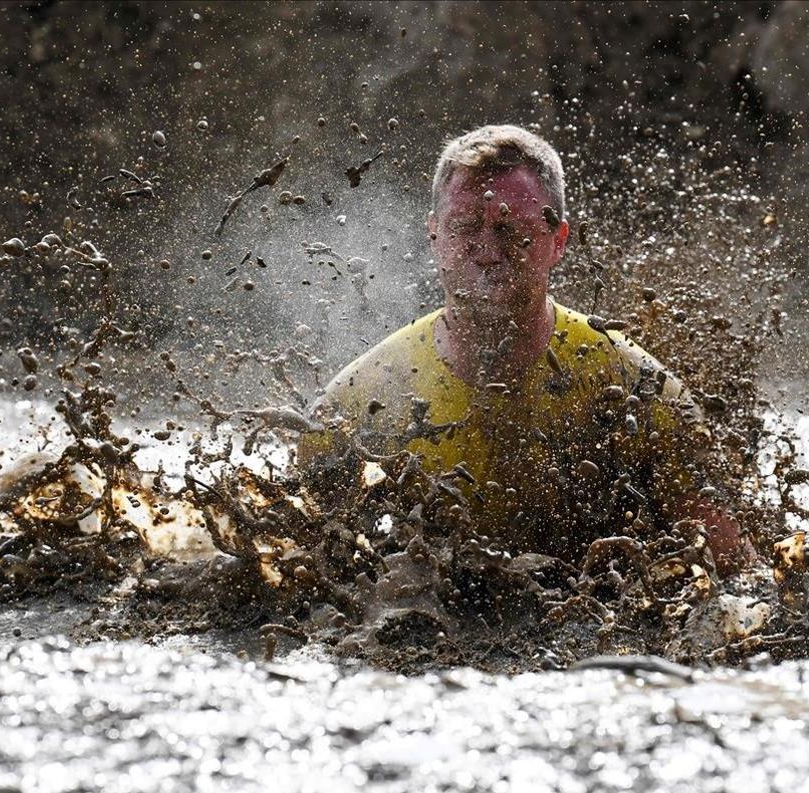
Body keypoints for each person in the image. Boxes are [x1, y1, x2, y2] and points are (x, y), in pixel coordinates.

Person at [299, 125, 749, 573]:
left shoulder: (637, 391)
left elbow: (741, 580)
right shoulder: (356, 408)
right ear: (434, 235)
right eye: (466, 228)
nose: (488, 252)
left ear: (559, 241)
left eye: (511, 229)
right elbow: (292, 578)